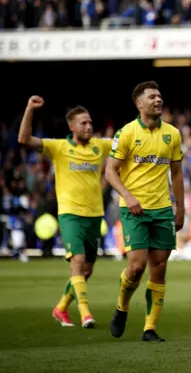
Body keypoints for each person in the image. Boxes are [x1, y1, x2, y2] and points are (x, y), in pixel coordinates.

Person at [18, 96, 112, 328]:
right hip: (70, 215)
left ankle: (61, 308)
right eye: (83, 123)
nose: (88, 126)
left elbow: (128, 143)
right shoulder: (59, 147)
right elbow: (24, 139)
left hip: (94, 216)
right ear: (71, 126)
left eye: (90, 122)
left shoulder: (101, 146)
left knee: (87, 270)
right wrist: (30, 109)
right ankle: (85, 314)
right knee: (77, 262)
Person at [105, 81, 184, 342]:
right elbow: (110, 170)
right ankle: (122, 307)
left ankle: (149, 328)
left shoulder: (172, 133)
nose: (158, 99)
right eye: (152, 96)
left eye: (160, 95)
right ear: (139, 104)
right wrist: (128, 196)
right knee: (137, 267)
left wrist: (180, 207)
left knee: (159, 267)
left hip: (162, 210)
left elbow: (177, 172)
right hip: (134, 210)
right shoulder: (126, 133)